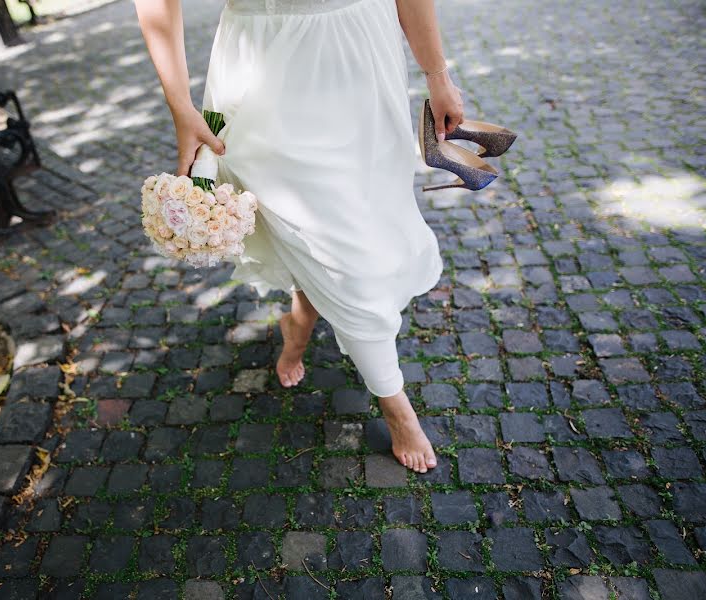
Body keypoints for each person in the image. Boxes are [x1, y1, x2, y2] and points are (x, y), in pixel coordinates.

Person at [134, 0, 465, 473]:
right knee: (331, 242)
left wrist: (437, 73)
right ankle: (395, 404)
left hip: (360, 54)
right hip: (258, 60)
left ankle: (302, 315)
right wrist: (179, 104)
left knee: (356, 222)